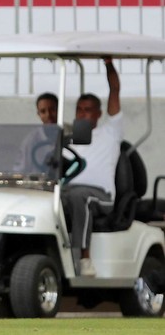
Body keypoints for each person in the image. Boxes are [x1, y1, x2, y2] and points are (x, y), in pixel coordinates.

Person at [62, 57, 122, 277]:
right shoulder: (69, 138)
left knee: (80, 196)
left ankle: (85, 259)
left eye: (88, 109)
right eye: (79, 109)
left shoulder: (110, 132)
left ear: (98, 113)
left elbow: (114, 90)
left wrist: (108, 64)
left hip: (101, 196)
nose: (82, 114)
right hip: (68, 191)